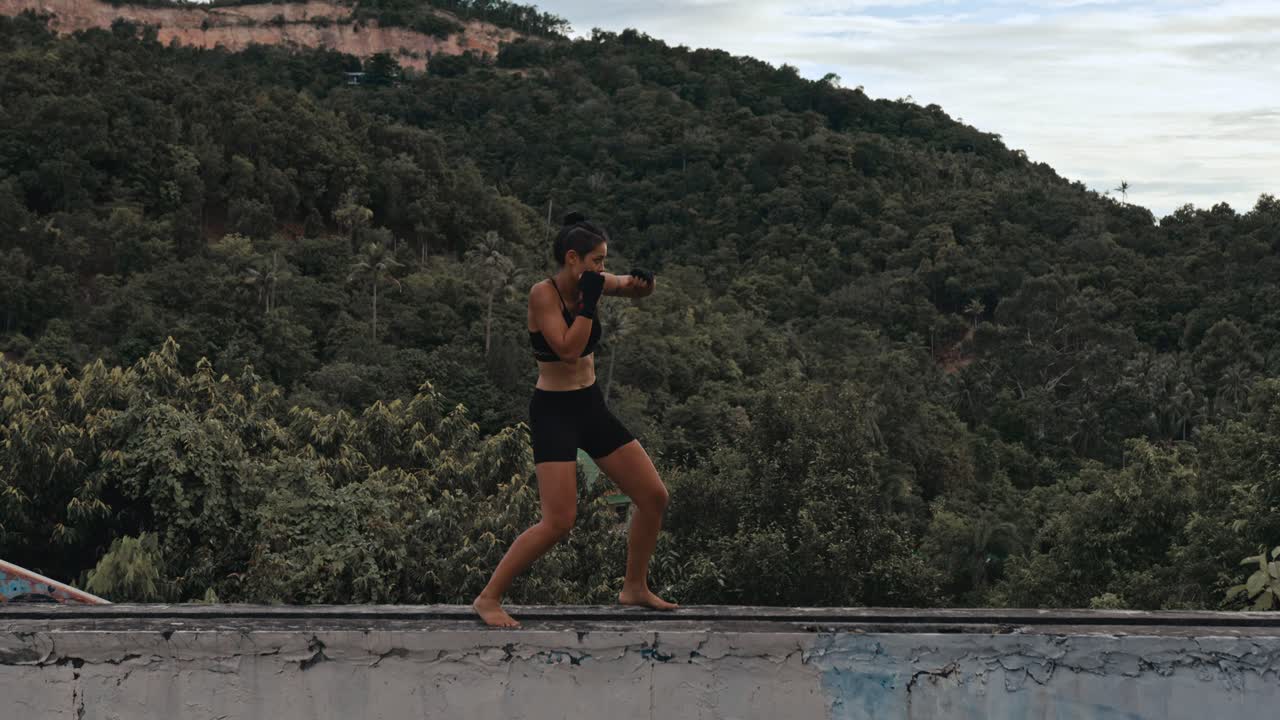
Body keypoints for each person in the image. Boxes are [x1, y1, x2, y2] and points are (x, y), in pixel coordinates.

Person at [472, 212, 678, 628]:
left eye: (605, 261)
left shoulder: (595, 283)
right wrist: (588, 300)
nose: (604, 269)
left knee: (654, 497)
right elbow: (567, 349)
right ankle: (488, 598)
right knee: (559, 521)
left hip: (590, 407)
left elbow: (635, 292)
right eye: (597, 261)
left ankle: (634, 587)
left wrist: (645, 283)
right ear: (573, 259)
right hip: (554, 413)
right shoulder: (542, 295)